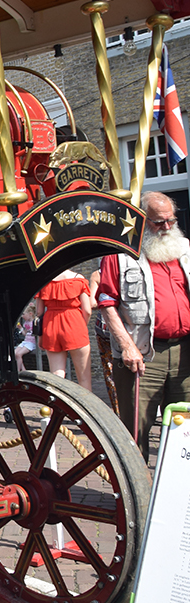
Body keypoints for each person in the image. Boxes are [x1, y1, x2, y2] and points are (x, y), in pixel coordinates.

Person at [96, 191, 190, 461]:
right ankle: (140, 497)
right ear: (141, 220)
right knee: (135, 431)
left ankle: (176, 496)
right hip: (143, 355)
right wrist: (127, 346)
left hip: (184, 352)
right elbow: (106, 302)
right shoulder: (120, 255)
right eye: (159, 222)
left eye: (171, 221)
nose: (167, 228)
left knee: (184, 429)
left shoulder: (184, 249)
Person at [35, 268, 93, 391]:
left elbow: (39, 312)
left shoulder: (44, 281)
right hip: (75, 323)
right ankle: (84, 410)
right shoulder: (79, 279)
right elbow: (87, 310)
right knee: (84, 379)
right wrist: (83, 326)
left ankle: (55, 409)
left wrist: (40, 337)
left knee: (57, 377)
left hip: (51, 326)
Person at [13, 303, 38, 373]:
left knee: (18, 354)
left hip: (31, 343)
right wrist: (21, 328)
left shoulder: (34, 322)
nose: (22, 316)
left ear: (30, 314)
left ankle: (18, 371)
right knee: (14, 353)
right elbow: (25, 334)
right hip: (26, 341)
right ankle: (23, 370)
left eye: (23, 314)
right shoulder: (26, 323)